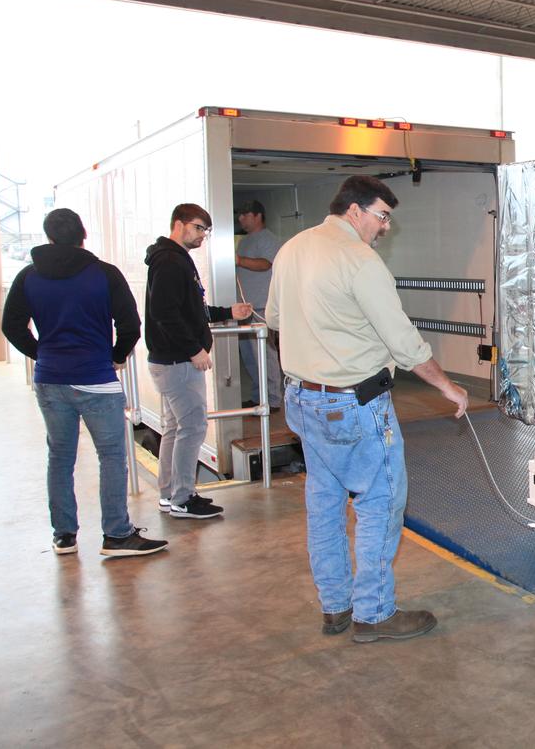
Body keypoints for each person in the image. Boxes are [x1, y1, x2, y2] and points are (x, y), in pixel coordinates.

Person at [267, 175, 468, 643]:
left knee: (325, 504)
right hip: (351, 403)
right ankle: (374, 613)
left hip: (302, 400)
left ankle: (335, 607)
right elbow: (403, 341)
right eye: (381, 216)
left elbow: (275, 319)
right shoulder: (360, 261)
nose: (384, 227)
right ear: (354, 211)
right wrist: (447, 386)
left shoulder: (293, 248)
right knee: (380, 503)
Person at [1, 209, 168, 557]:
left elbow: (10, 326)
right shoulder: (104, 274)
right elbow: (130, 325)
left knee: (59, 457)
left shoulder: (28, 276)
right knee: (110, 456)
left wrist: (41, 352)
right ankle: (117, 535)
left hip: (50, 380)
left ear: (49, 237)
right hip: (96, 379)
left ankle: (64, 535)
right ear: (83, 235)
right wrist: (116, 356)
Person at [145, 203, 252, 520]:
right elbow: (164, 313)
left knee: (176, 429)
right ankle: (182, 497)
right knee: (191, 428)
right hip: (178, 362)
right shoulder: (169, 261)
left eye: (206, 230)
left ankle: (170, 494)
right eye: (198, 228)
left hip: (173, 360)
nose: (203, 235)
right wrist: (194, 349)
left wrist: (227, 313)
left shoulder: (176, 260)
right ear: (178, 224)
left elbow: (190, 309)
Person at [234, 200, 283, 410]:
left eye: (245, 214)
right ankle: (258, 396)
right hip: (244, 308)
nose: (240, 219)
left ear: (258, 216)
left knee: (266, 355)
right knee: (249, 356)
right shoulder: (245, 241)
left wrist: (238, 260)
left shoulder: (268, 239)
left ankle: (272, 399)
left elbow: (267, 263)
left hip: (261, 308)